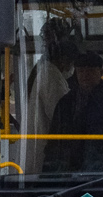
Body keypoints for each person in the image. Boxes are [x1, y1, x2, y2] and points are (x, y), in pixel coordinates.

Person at [46, 51, 103, 171]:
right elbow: (56, 137)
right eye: (81, 71)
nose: (85, 75)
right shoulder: (67, 102)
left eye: (90, 71)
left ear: (100, 72)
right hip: (71, 165)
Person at [22, 19, 77, 172]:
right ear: (64, 61)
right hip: (45, 148)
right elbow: (60, 115)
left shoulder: (44, 69)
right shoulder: (51, 76)